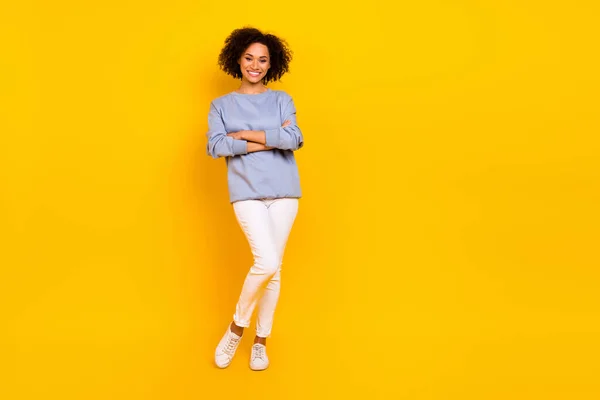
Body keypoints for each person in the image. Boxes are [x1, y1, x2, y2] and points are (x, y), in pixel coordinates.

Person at [205, 27, 304, 371]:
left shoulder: (282, 100)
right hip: (246, 192)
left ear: (271, 64)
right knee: (266, 262)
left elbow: (294, 138)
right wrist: (271, 138)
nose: (255, 65)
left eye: (263, 60)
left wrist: (244, 134)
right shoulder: (220, 105)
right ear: (237, 58)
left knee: (274, 269)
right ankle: (236, 328)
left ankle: (260, 341)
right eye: (249, 58)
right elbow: (216, 146)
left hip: (285, 193)